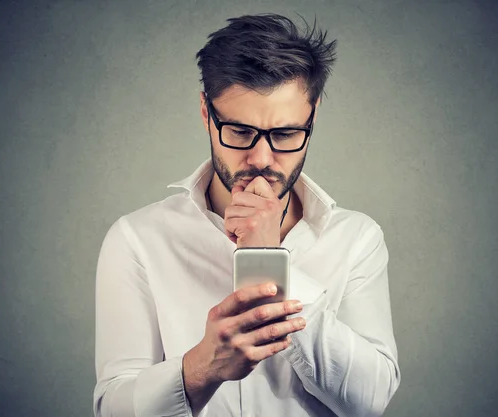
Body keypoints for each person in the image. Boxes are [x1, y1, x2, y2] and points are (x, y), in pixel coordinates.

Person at [93, 13, 400, 417]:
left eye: (286, 134)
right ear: (207, 112)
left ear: (313, 115)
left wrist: (271, 264)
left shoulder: (356, 238)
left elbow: (370, 402)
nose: (260, 159)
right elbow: (113, 409)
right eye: (239, 132)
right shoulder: (137, 238)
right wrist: (202, 367)